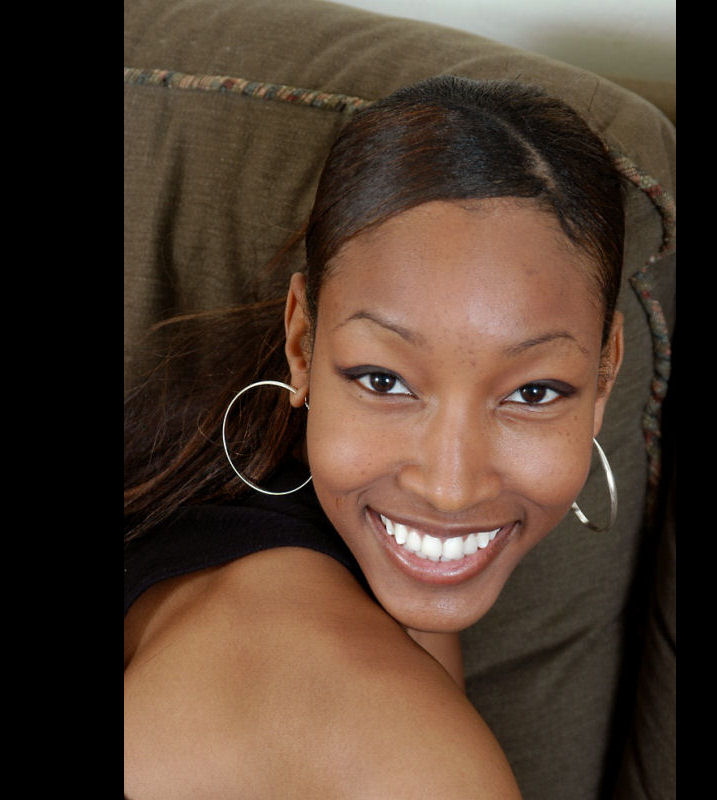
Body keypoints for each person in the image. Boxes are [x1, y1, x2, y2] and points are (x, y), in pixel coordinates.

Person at [123, 74, 625, 798]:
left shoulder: (238, 506)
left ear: (605, 373)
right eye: (385, 381)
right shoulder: (410, 761)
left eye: (532, 393)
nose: (449, 488)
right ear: (302, 341)